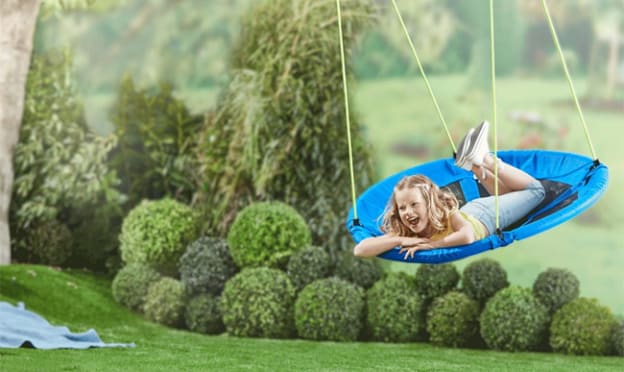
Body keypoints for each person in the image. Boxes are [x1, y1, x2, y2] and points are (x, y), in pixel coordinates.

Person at [353, 121, 546, 260]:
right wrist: (401, 240)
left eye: (414, 204)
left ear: (429, 204)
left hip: (485, 217)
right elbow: (360, 249)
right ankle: (474, 166)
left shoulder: (446, 214)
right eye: (402, 208)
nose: (408, 212)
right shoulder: (407, 232)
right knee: (509, 197)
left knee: (537, 191)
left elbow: (468, 236)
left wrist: (432, 245)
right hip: (475, 211)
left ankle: (486, 159)